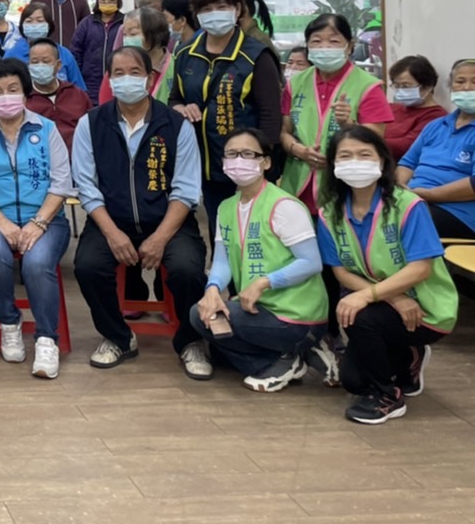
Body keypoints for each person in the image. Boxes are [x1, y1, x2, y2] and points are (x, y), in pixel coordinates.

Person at [71, 47, 211, 379]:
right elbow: (86, 187)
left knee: (188, 270)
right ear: (109, 79)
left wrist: (160, 238)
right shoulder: (90, 124)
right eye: (118, 73)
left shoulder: (175, 125)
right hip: (111, 220)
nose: (126, 79)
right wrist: (112, 233)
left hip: (169, 222)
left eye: (135, 72)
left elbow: (186, 189)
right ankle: (118, 337)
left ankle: (191, 341)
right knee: (88, 266)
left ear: (149, 78)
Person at [317, 126, 456, 424]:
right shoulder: (329, 213)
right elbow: (340, 271)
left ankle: (387, 396)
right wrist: (393, 298)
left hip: (426, 309)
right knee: (354, 381)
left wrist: (368, 296)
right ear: (334, 164)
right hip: (390, 303)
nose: (355, 162)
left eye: (364, 154)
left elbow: (421, 268)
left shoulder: (408, 205)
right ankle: (408, 357)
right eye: (345, 156)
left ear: (381, 161)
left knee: (358, 314)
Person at [189, 128, 332, 392]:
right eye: (231, 154)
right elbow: (222, 260)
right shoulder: (226, 207)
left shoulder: (284, 206)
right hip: (255, 307)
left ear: (265, 162)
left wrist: (264, 282)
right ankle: (291, 356)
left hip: (295, 312)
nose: (238, 160)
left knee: (221, 331)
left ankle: (289, 355)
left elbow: (311, 262)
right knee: (204, 318)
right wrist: (212, 290)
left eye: (247, 154)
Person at [0, 58, 72, 378]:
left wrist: (38, 223)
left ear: (25, 92)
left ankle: (46, 339)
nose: (5, 96)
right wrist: (3, 224)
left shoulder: (47, 129)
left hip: (47, 219)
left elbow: (61, 184)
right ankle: (9, 321)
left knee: (36, 264)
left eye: (12, 89)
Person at [172, 0, 284, 236]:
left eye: (222, 7)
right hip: (205, 164)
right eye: (207, 9)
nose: (215, 14)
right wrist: (180, 108)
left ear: (237, 9)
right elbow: (175, 98)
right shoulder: (185, 53)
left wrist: (259, 160)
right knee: (220, 231)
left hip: (247, 165)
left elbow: (270, 115)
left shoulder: (256, 55)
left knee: (254, 233)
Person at [281, 13, 392, 208]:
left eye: (333, 41)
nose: (324, 48)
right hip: (297, 182)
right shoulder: (295, 83)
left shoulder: (368, 86)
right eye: (316, 41)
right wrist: (299, 150)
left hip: (346, 184)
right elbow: (284, 131)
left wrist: (348, 125)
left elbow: (376, 138)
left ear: (349, 46)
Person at [396, 58, 475, 239]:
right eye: (460, 81)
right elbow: (408, 163)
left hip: (459, 214)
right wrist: (399, 189)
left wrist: (428, 195)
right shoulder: (436, 125)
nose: (467, 87)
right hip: (415, 199)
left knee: (400, 222)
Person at [24, 38, 92, 151]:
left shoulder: (77, 95)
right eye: (35, 62)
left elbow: (92, 130)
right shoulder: (24, 98)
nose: (40, 66)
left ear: (58, 65)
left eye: (46, 61)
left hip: (76, 156)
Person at [100, 7, 175, 104]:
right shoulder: (117, 68)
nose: (126, 39)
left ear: (155, 34)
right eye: (125, 34)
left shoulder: (177, 66)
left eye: (133, 34)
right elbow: (105, 104)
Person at [8, 3, 87, 88]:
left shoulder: (64, 53)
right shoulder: (12, 55)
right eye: (29, 21)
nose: (34, 25)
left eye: (40, 21)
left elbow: (79, 88)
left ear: (49, 25)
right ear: (22, 26)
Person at [386, 54, 445, 164]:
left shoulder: (436, 116)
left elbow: (405, 146)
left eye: (406, 86)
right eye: (397, 86)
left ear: (428, 86)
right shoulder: (392, 108)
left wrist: (368, 140)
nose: (400, 91)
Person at [70, 0, 123, 107]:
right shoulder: (87, 23)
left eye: (111, 0)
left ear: (118, 2)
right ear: (97, 1)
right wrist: (78, 76)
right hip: (90, 81)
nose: (107, 2)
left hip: (117, 78)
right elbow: (76, 50)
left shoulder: (124, 22)